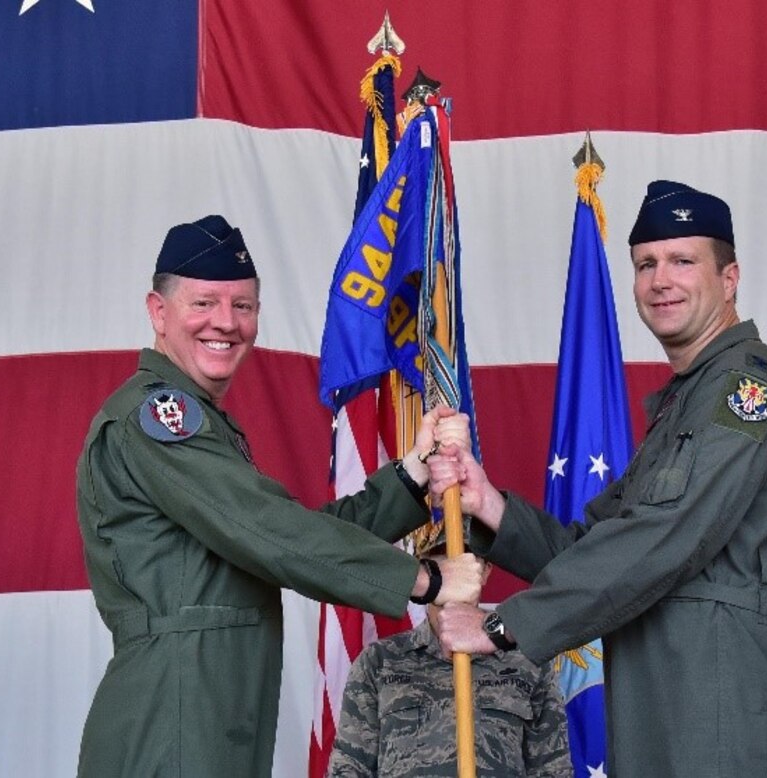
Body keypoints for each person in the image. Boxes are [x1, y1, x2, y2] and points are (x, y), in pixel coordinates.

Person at [429, 181, 767, 776]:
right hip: (668, 704)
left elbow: (665, 535)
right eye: (646, 264)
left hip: (721, 707)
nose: (660, 280)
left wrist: (504, 626)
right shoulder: (686, 403)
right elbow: (594, 550)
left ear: (730, 277)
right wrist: (490, 505)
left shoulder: (747, 388)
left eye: (682, 260)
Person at [75, 215, 481, 777]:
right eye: (204, 303)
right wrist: (427, 581)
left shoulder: (202, 424)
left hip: (208, 716)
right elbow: (274, 535)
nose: (226, 322)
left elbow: (287, 532)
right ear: (157, 311)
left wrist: (411, 473)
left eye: (243, 306)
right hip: (171, 724)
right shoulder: (156, 419)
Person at [326, 520, 570, 778]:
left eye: (465, 562)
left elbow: (553, 770)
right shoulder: (379, 662)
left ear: (486, 571)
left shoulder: (527, 661)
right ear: (423, 571)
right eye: (441, 562)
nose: (454, 574)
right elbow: (349, 768)